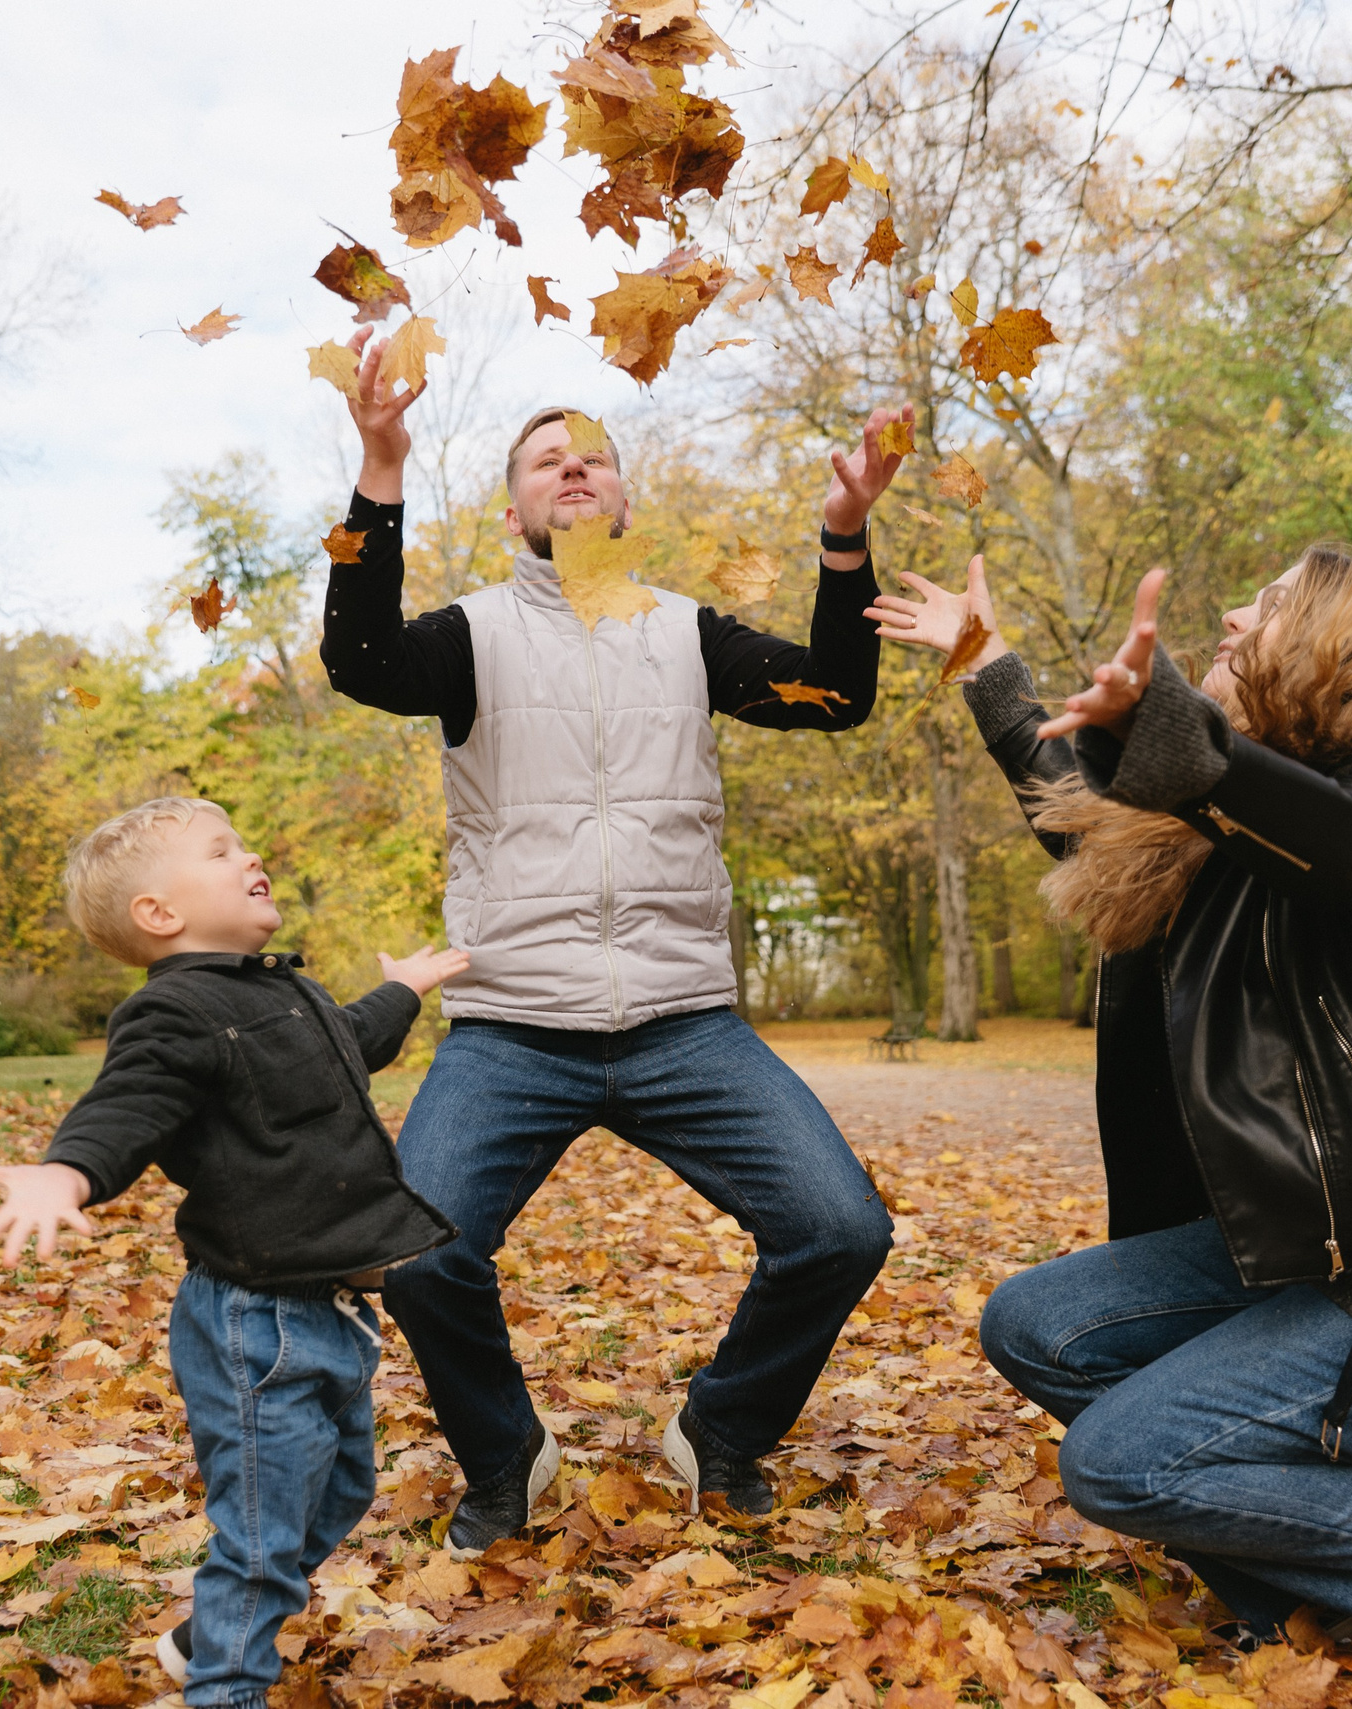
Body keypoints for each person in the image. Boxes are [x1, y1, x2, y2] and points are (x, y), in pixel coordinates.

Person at [869, 548, 1352, 1688]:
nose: (1229, 608)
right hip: (1316, 1255)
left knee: (1115, 1465)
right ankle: (1309, 1591)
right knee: (1038, 1323)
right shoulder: (1203, 839)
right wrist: (984, 657)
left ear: (1331, 644)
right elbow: (1074, 807)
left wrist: (1192, 751)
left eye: (1264, 602)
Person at [317, 327, 902, 1548]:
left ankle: (724, 1426)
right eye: (544, 458)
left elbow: (836, 694)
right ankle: (504, 1457)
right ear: (516, 503)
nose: (570, 468)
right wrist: (379, 471)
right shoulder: (468, 636)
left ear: (625, 496)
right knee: (418, 1251)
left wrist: (843, 543)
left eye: (592, 455)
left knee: (841, 1229)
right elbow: (359, 659)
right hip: (513, 1022)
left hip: (683, 1019)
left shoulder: (691, 636)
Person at [0, 797, 466, 1709]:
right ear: (161, 913)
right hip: (257, 1321)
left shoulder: (285, 990)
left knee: (342, 1491)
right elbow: (127, 1103)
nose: (251, 854)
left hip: (333, 1309)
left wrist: (408, 987)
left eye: (244, 840)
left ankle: (206, 1634)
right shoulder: (174, 1013)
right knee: (263, 1537)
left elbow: (349, 1044)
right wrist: (66, 1172)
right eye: (220, 849)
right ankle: (224, 1685)